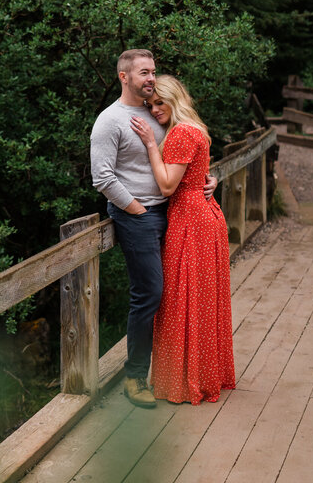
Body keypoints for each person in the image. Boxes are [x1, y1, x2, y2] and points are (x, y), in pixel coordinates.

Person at [89, 50, 216, 408]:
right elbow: (102, 177)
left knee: (175, 293)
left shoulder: (157, 111)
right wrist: (136, 208)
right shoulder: (110, 121)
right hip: (138, 216)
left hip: (174, 212)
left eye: (153, 71)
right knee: (150, 293)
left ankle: (172, 371)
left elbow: (187, 154)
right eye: (143, 72)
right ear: (123, 77)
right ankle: (134, 377)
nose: (150, 78)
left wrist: (209, 179)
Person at [129, 74, 236, 405]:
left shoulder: (178, 134)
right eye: (150, 104)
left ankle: (186, 380)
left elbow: (166, 187)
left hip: (190, 220)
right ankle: (204, 374)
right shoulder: (196, 130)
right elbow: (197, 173)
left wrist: (149, 144)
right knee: (200, 298)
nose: (155, 109)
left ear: (175, 98)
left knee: (181, 299)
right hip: (204, 215)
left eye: (160, 102)